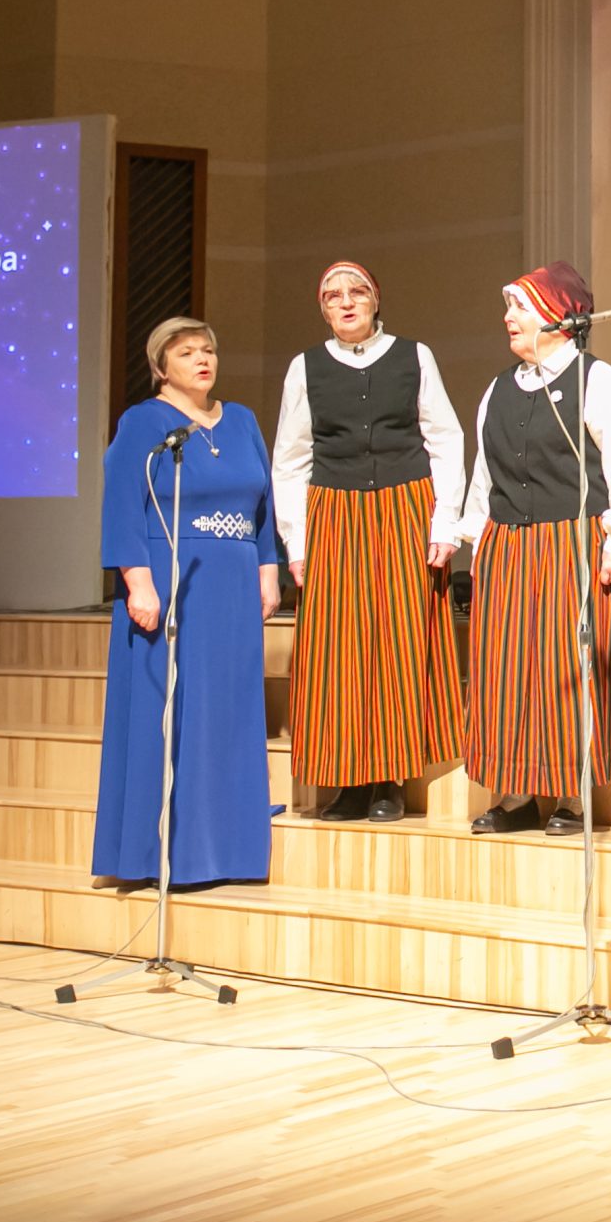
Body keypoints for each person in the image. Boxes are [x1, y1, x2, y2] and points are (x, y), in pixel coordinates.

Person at [270, 261, 465, 823]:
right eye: (334, 296)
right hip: (335, 513)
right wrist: (297, 541)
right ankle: (348, 780)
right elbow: (291, 459)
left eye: (357, 292)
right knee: (340, 647)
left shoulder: (414, 356)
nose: (347, 302)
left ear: (376, 300)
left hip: (404, 508)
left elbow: (445, 439)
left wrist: (444, 523)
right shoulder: (305, 367)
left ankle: (390, 779)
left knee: (398, 639)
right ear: (323, 309)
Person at [455, 261, 611, 835]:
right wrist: (478, 543)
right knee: (507, 669)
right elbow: (485, 475)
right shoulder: (498, 389)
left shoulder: (597, 380)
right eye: (508, 307)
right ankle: (514, 792)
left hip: (573, 540)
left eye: (520, 307)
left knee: (567, 666)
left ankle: (571, 795)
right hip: (509, 544)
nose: (508, 318)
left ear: (559, 315)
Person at [93, 317, 279, 885]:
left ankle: (229, 848)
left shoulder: (241, 420)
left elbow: (263, 503)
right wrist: (137, 581)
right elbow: (123, 503)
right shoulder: (144, 422)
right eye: (186, 353)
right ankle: (160, 855)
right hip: (172, 578)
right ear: (160, 367)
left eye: (207, 350)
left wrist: (268, 568)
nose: (202, 360)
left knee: (228, 710)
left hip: (234, 585)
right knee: (171, 713)